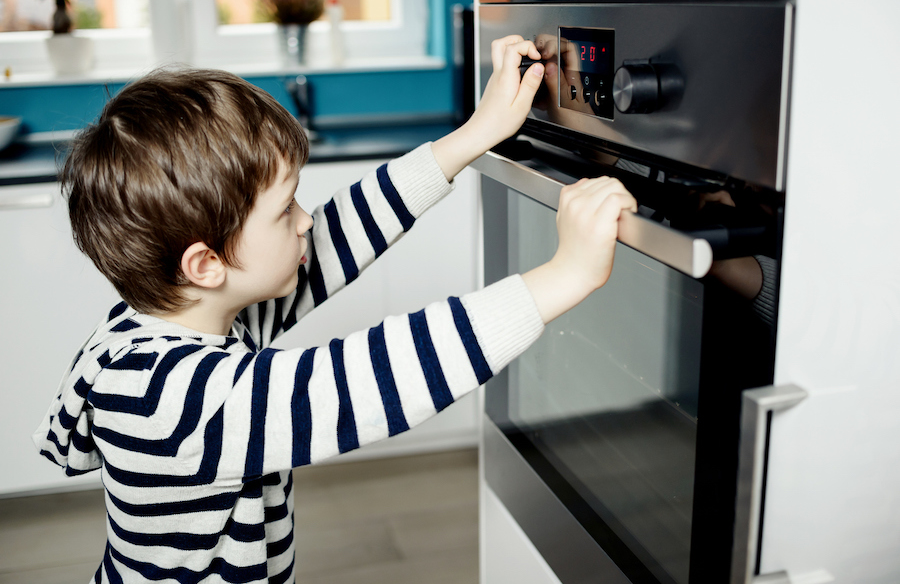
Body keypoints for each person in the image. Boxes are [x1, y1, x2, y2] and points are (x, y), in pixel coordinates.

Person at [33, 35, 636, 584]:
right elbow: (370, 377)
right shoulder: (177, 398)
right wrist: (566, 275)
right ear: (206, 263)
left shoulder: (176, 317)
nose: (307, 221)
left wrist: (476, 134)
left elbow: (338, 238)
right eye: (286, 208)